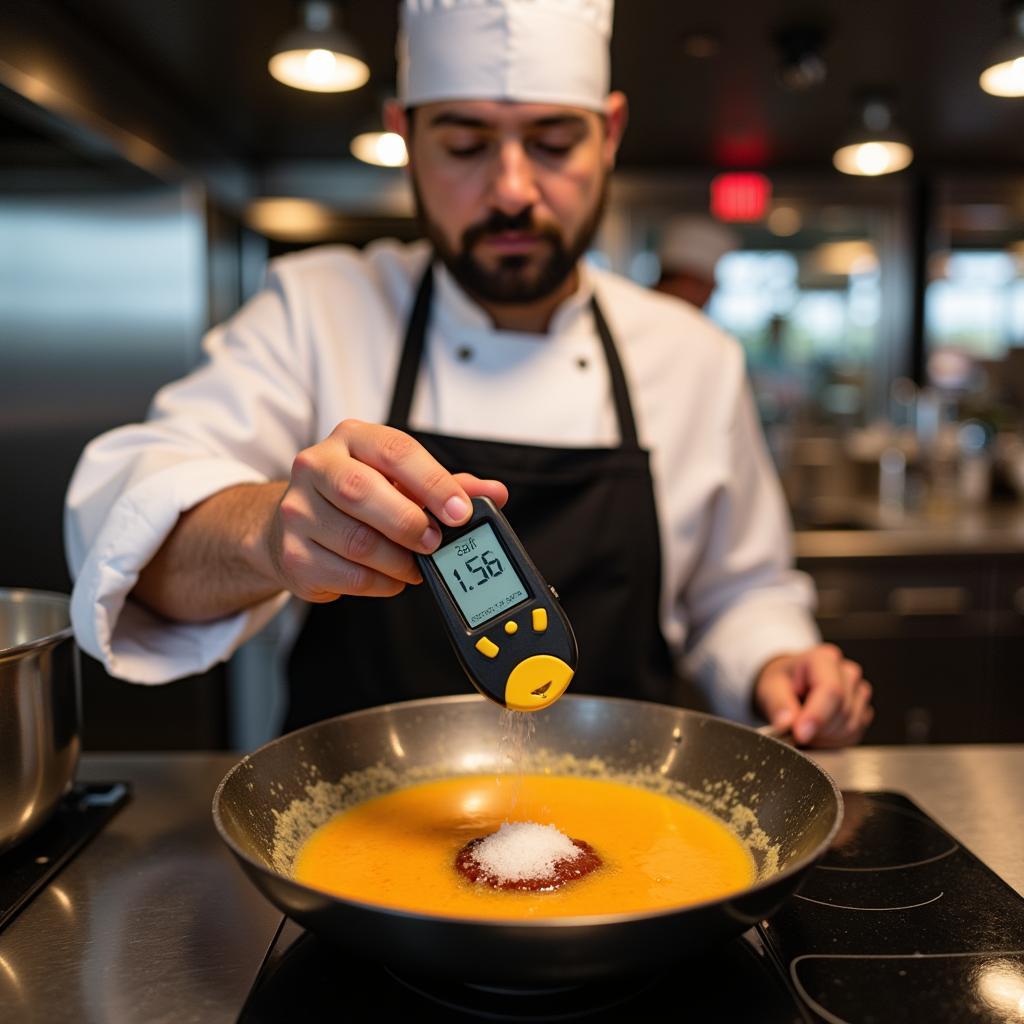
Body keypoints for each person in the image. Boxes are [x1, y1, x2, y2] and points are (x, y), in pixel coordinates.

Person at [64, 0, 873, 748]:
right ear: (404, 133)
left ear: (612, 133)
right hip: (350, 841)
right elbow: (130, 531)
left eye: (555, 143)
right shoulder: (314, 308)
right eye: (464, 143)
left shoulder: (693, 355)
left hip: (629, 831)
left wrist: (778, 663)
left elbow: (740, 593)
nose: (513, 190)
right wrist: (267, 530)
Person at [653, 215, 738, 310]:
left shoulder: (636, 308)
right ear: (688, 282)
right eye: (708, 287)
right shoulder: (686, 321)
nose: (707, 297)